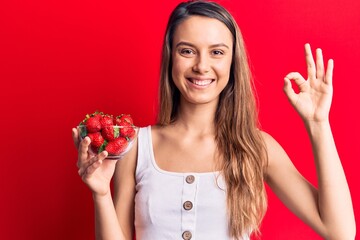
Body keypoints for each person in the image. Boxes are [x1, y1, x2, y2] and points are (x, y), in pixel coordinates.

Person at [72, 1, 355, 239]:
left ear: (232, 62)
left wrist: (318, 123)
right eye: (187, 50)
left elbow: (340, 231)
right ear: (171, 58)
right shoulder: (136, 146)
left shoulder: (257, 147)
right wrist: (100, 194)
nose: (202, 66)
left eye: (217, 52)